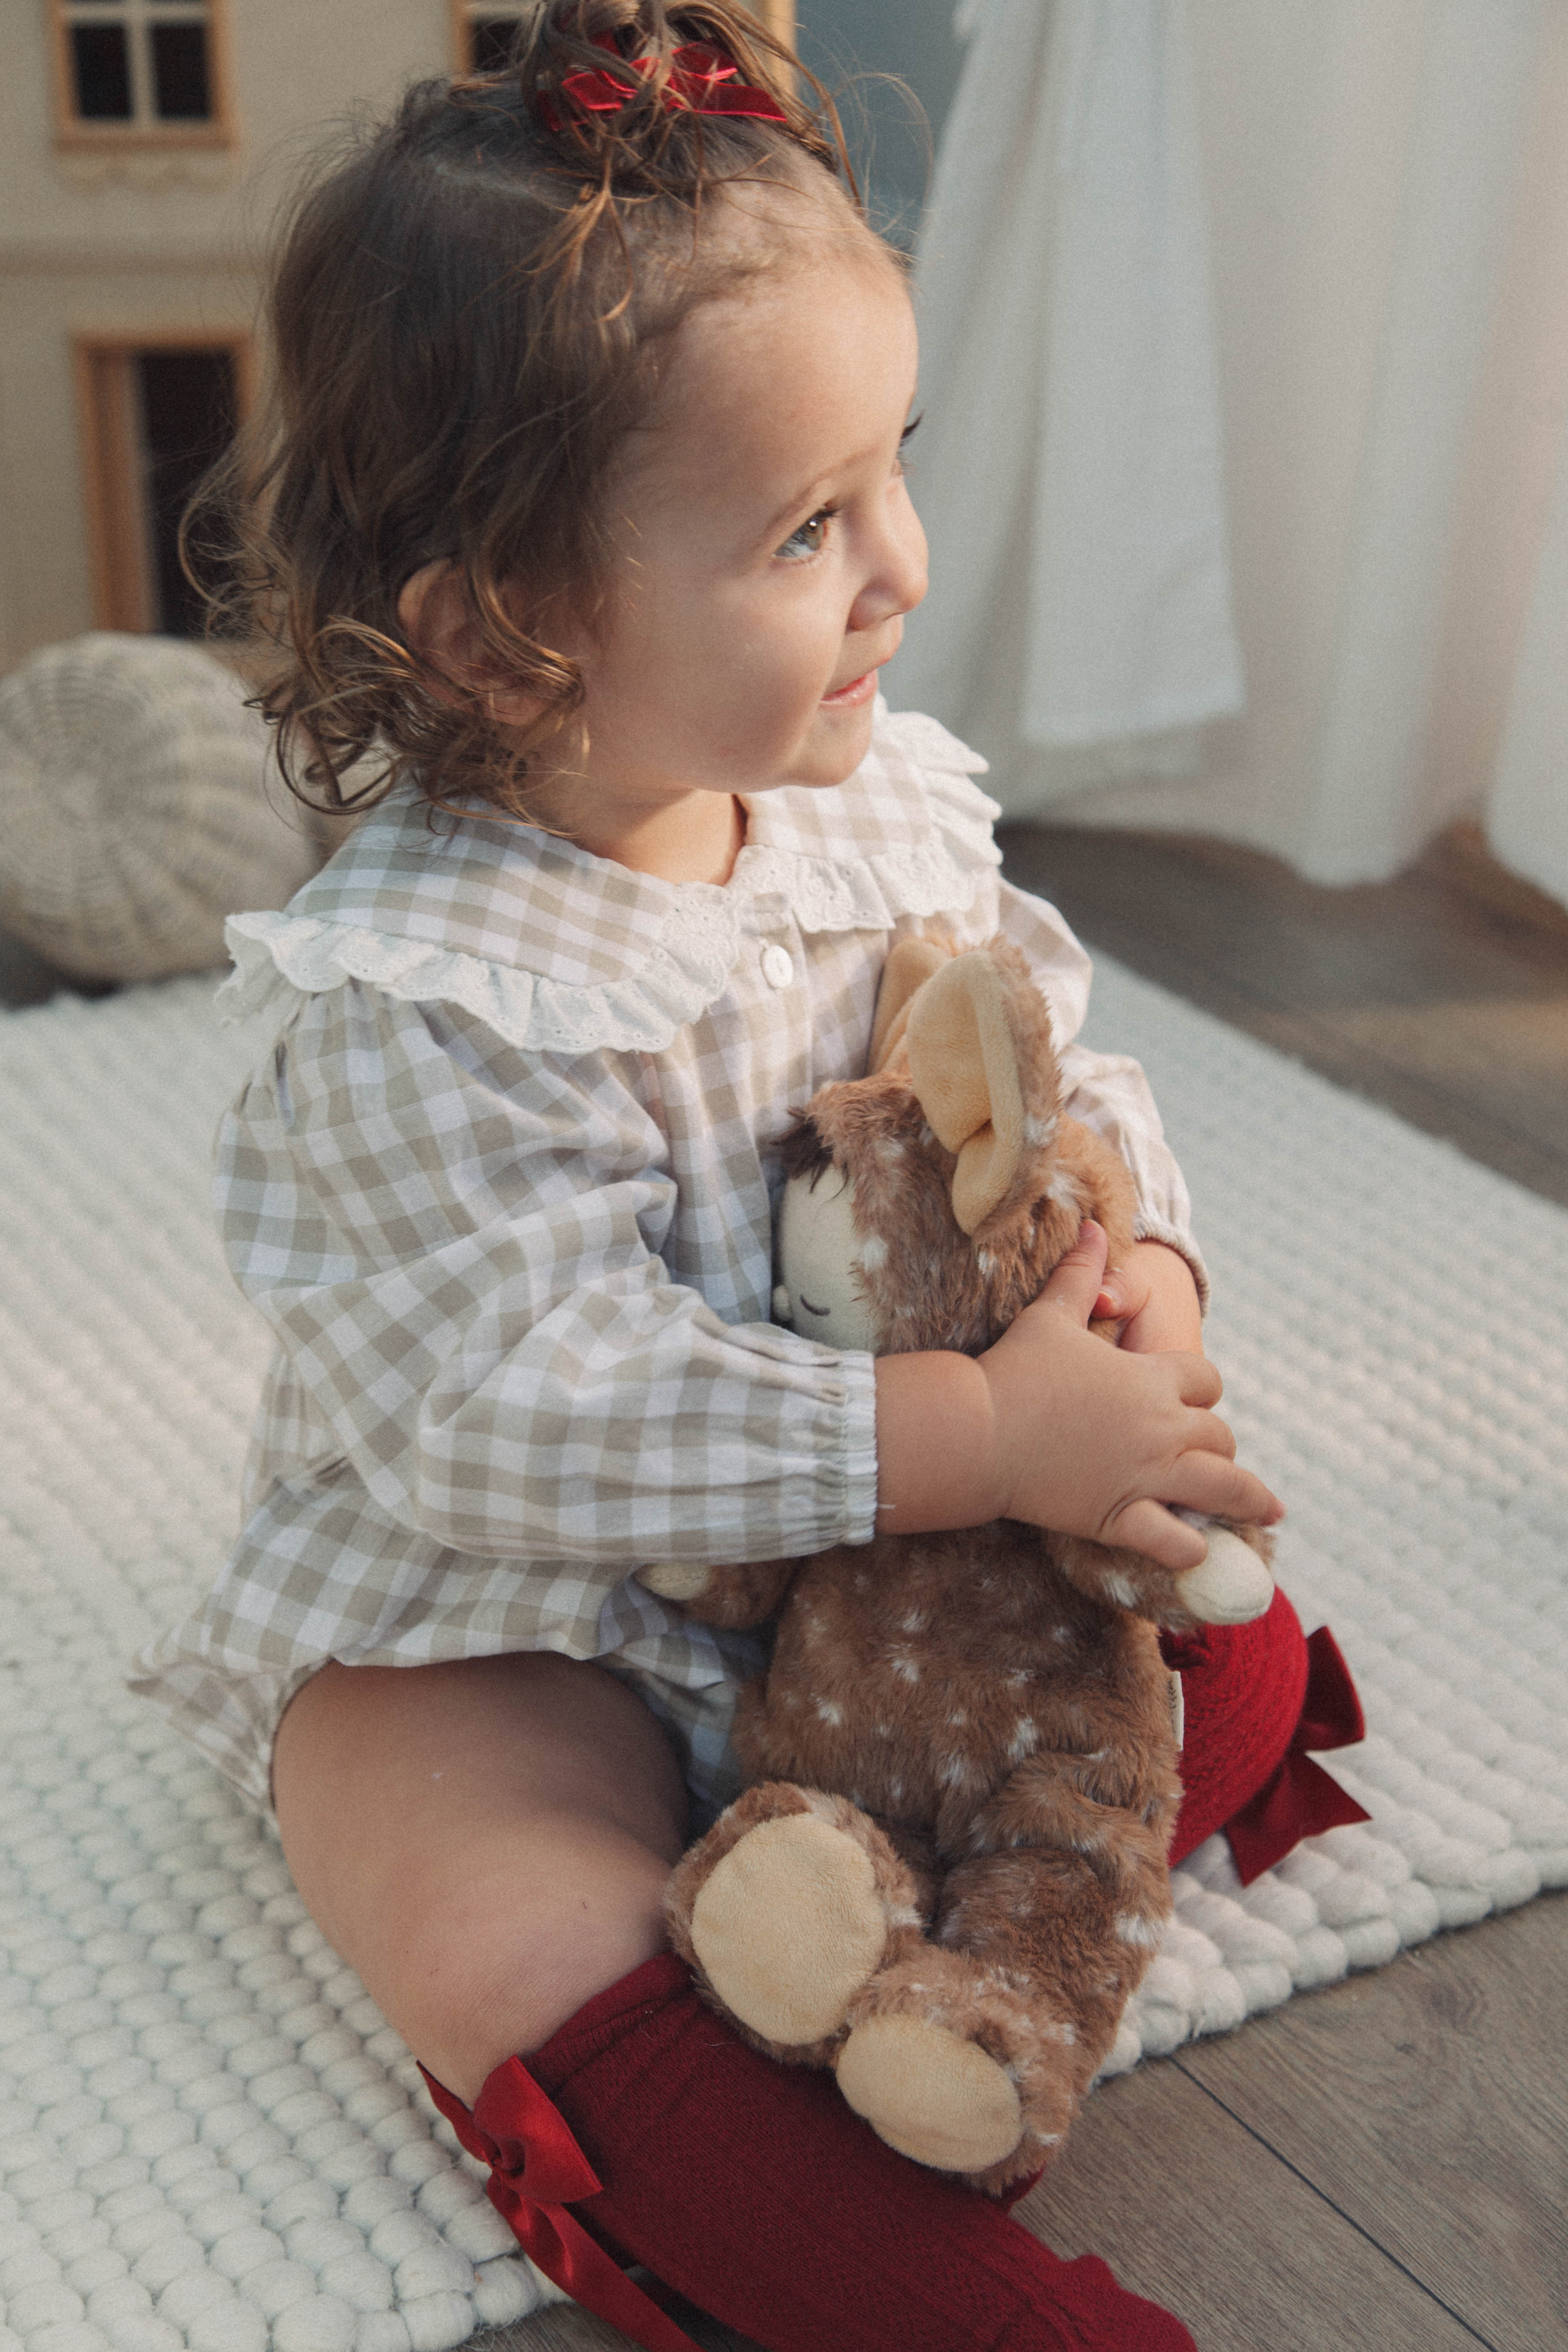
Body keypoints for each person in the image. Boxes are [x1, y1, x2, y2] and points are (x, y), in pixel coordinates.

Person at [134, 6, 1301, 2345]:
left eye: (895, 468)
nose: (898, 564)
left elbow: (1044, 1068)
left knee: (1226, 1634)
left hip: (885, 1592)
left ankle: (917, 1896)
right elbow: (517, 1410)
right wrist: (965, 1435)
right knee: (478, 1888)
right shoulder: (413, 1004)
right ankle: (889, 2257)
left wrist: (1132, 1280)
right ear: (507, 636)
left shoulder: (874, 798)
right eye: (800, 524)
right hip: (524, 1607)